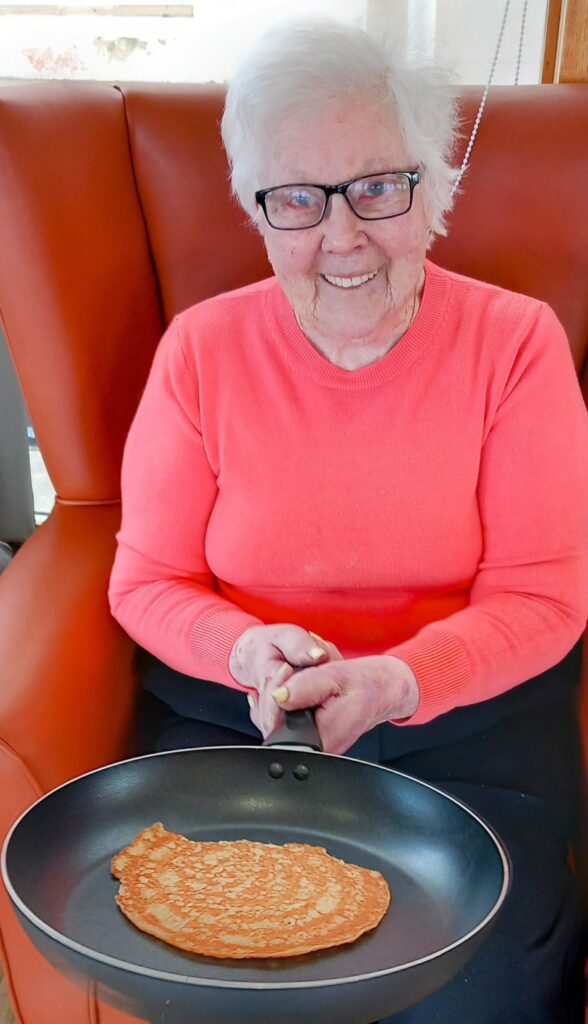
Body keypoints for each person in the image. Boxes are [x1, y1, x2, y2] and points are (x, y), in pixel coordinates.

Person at [108, 17, 588, 1023]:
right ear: (259, 210)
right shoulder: (199, 352)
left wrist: (400, 677)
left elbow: (544, 595)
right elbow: (144, 580)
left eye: (377, 187)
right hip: (235, 725)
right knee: (212, 977)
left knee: (481, 994)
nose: (341, 236)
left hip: (471, 732)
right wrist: (246, 649)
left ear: (431, 189)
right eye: (298, 198)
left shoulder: (517, 346)